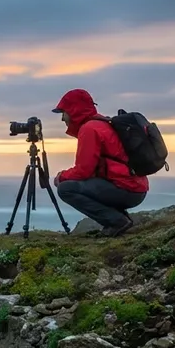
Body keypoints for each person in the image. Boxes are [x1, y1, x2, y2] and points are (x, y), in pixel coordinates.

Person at [50, 88, 148, 237]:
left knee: (66, 188)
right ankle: (120, 218)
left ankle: (117, 221)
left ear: (74, 111)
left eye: (64, 112)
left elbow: (83, 170)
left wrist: (61, 177)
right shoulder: (102, 122)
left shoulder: (89, 129)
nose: (63, 118)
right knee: (87, 182)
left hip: (127, 190)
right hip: (135, 188)